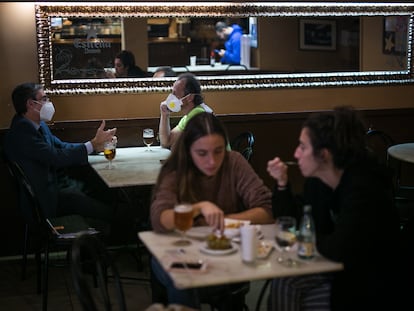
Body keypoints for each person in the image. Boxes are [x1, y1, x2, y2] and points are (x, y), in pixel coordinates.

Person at [266, 106, 400, 311]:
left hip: (369, 286)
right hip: (337, 269)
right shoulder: (319, 180)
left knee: (289, 286)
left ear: (324, 155)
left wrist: (305, 237)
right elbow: (292, 223)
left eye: (302, 147)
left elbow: (339, 249)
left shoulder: (365, 189)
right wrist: (282, 184)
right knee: (284, 281)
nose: (295, 153)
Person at [150, 112, 274, 310]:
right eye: (202, 153)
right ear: (188, 150)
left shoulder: (233, 161)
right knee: (183, 279)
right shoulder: (176, 168)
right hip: (178, 252)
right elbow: (160, 219)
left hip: (223, 251)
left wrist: (222, 220)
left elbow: (266, 211)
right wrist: (199, 208)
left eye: (218, 151)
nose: (212, 161)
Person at [4, 82, 117, 234]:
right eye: (44, 99)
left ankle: (99, 250)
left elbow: (62, 147)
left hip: (58, 188)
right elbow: (56, 157)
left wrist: (95, 146)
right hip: (47, 200)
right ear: (31, 104)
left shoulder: (37, 125)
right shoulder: (22, 132)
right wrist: (92, 144)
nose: (49, 103)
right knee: (110, 210)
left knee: (106, 195)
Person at [158, 72, 213, 149]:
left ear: (189, 97)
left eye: (175, 93)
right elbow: (166, 142)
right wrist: (164, 115)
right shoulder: (188, 116)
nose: (171, 97)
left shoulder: (198, 115)